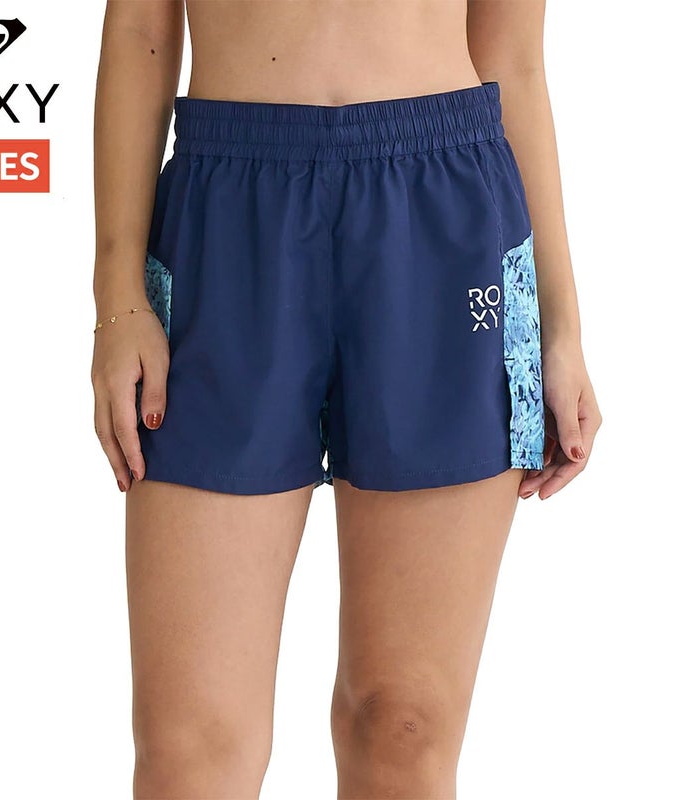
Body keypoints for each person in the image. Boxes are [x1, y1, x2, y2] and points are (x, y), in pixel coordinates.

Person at [91, 1, 602, 797]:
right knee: (188, 748)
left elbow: (514, 59)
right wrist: (118, 299)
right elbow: (140, 31)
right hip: (228, 215)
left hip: (442, 220)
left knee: (403, 722)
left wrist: (562, 326)